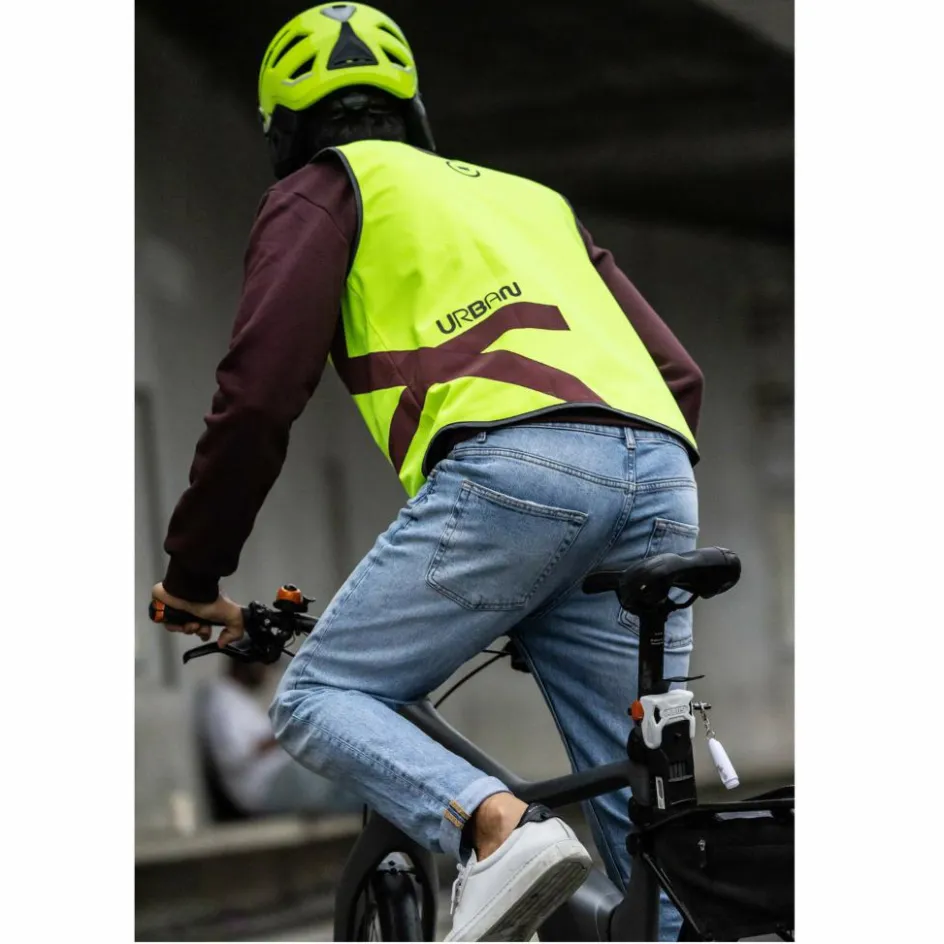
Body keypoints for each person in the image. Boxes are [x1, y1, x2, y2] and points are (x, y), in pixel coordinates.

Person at [151, 4, 704, 940]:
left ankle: (493, 828)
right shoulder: (533, 201)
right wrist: (586, 539)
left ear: (284, 129)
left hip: (515, 475)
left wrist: (194, 573)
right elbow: (680, 375)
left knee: (321, 698)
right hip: (658, 472)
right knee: (644, 821)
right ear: (411, 108)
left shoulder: (326, 189)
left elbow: (257, 396)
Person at [200, 658, 359, 818]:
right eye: (263, 667)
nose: (266, 675)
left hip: (277, 772)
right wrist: (283, 732)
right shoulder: (223, 700)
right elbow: (235, 754)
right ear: (249, 666)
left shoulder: (237, 696)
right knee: (328, 773)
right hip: (262, 784)